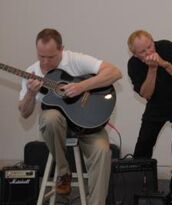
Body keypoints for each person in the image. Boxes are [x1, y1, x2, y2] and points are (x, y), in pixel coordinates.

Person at [18, 28, 122, 205]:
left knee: (103, 151)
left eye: (50, 57)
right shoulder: (32, 72)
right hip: (58, 131)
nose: (44, 61)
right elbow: (25, 112)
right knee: (50, 117)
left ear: (61, 49)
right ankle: (63, 172)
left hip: (88, 126)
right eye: (41, 56)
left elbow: (115, 72)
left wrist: (82, 86)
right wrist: (29, 93)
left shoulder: (75, 60)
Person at [127, 30, 172, 204]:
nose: (148, 52)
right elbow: (147, 94)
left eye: (150, 46)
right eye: (142, 51)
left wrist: (164, 64)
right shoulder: (133, 65)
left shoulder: (167, 47)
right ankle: (139, 188)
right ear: (135, 54)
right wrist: (152, 70)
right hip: (156, 105)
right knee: (143, 146)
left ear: (153, 41)